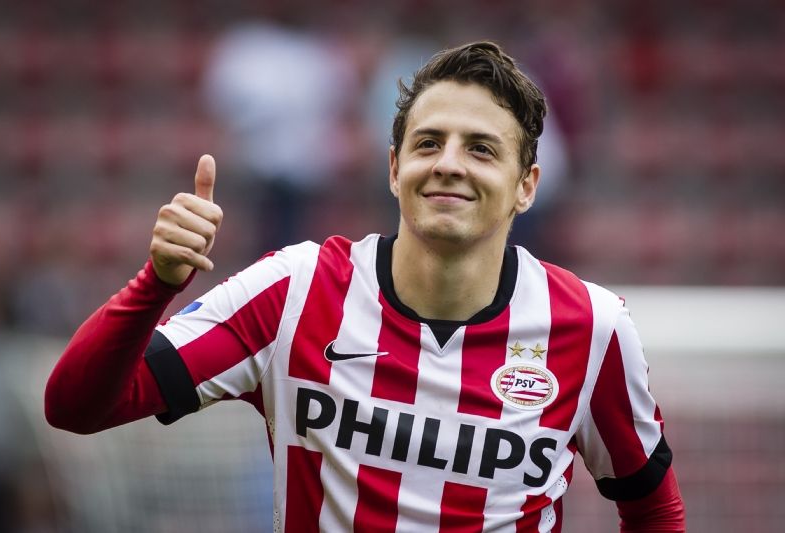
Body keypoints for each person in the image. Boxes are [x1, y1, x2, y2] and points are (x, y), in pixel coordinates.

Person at [45, 41, 685, 531]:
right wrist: (156, 282)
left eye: (482, 149)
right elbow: (75, 406)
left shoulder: (592, 327)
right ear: (394, 168)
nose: (449, 164)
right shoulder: (294, 292)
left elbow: (653, 510)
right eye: (428, 143)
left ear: (527, 186)